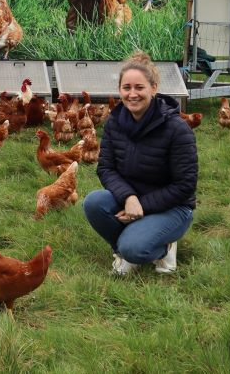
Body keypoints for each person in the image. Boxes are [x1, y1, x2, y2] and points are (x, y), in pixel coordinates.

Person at [82, 51, 196, 275]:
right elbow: (106, 168)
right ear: (119, 90)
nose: (132, 94)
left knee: (134, 248)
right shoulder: (114, 122)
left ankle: (163, 247)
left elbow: (185, 185)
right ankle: (125, 250)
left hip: (173, 207)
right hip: (132, 199)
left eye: (139, 87)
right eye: (126, 87)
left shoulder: (177, 129)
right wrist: (129, 198)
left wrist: (141, 206)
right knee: (94, 203)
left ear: (153, 88)